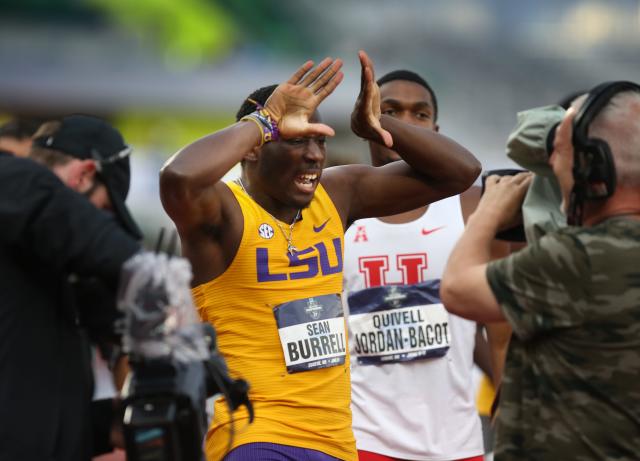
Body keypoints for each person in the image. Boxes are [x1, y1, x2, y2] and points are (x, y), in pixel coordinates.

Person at [160, 51, 481, 461]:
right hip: (256, 436)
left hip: (336, 443)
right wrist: (264, 121)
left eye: (319, 140)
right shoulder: (223, 212)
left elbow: (460, 172)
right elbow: (178, 178)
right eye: (296, 140)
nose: (314, 155)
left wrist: (380, 125)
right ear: (254, 150)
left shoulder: (335, 196)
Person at [440, 82, 640, 459]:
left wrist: (489, 212)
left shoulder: (579, 257)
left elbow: (457, 290)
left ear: (592, 166)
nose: (553, 167)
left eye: (560, 156)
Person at [341, 70, 486, 461]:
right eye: (389, 112)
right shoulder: (337, 207)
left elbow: (490, 329)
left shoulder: (472, 206)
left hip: (457, 442)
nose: (404, 125)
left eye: (419, 116)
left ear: (436, 129)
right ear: (366, 125)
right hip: (363, 439)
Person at [0, 115, 142, 461]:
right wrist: (151, 271)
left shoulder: (48, 274)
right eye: (103, 210)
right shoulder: (14, 177)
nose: (98, 222)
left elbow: (34, 400)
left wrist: (106, 424)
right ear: (83, 175)